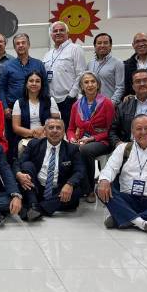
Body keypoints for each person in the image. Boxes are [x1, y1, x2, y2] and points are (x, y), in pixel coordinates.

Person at [14, 117, 84, 220]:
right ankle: (36, 203)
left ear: (63, 132)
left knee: (77, 190)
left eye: (58, 128)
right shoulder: (34, 144)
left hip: (59, 192)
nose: (55, 131)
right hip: (36, 188)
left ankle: (36, 208)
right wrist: (18, 174)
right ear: (45, 131)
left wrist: (70, 184)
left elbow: (80, 170)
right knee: (27, 165)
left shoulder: (72, 149)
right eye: (51, 128)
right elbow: (18, 163)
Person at [67, 72, 115, 203]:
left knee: (84, 150)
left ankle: (89, 190)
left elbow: (112, 130)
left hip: (103, 140)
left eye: (93, 81)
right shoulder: (76, 105)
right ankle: (73, 185)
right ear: (82, 86)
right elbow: (70, 129)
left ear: (98, 84)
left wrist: (92, 138)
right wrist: (72, 139)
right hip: (81, 140)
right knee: (70, 148)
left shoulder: (107, 103)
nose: (90, 85)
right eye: (86, 82)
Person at [43, 21, 87, 129]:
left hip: (69, 100)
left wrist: (71, 96)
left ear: (67, 33)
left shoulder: (75, 49)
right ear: (51, 35)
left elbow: (81, 74)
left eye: (61, 30)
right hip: (51, 101)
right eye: (55, 31)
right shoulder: (48, 54)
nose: (58, 33)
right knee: (54, 131)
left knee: (69, 129)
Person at [11, 71, 60, 156]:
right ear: (26, 84)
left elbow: (57, 121)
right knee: (22, 147)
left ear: (41, 84)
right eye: (31, 81)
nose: (34, 83)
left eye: (37, 81)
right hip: (27, 137)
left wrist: (44, 130)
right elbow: (16, 128)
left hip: (48, 135)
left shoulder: (50, 100)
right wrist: (33, 133)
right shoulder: (19, 103)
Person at [88, 33, 125, 105]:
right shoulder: (90, 64)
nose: (102, 45)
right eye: (99, 43)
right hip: (92, 105)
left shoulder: (118, 63)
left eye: (105, 43)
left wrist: (111, 104)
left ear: (110, 46)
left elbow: (120, 87)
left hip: (109, 105)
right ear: (95, 46)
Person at [123, 32, 147, 97]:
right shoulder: (127, 65)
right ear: (133, 45)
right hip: (138, 101)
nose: (141, 44)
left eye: (144, 40)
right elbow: (128, 86)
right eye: (137, 42)